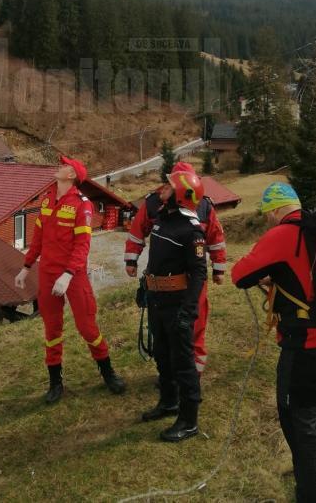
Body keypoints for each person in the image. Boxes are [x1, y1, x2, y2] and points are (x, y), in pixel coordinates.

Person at [231, 182, 316, 503]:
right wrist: (280, 276)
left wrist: (268, 270)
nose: (267, 220)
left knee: (302, 429)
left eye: (267, 215)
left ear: (274, 211)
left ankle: (314, 496)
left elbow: (239, 274)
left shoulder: (282, 234)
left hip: (306, 352)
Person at [15, 156, 125, 403]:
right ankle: (55, 384)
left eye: (64, 165)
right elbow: (38, 238)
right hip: (47, 273)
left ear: (72, 175)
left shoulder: (81, 205)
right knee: (51, 329)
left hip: (73, 276)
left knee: (87, 328)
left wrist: (67, 274)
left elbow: (82, 244)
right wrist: (26, 266)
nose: (59, 166)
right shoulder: (46, 200)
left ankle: (108, 373)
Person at [125, 160, 226, 374]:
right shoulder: (153, 203)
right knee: (164, 328)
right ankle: (170, 374)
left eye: (171, 183)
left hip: (192, 279)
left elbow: (215, 238)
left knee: (194, 324)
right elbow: (137, 230)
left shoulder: (204, 206)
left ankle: (192, 372)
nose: (165, 187)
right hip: (163, 281)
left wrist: (218, 269)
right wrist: (131, 259)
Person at [141, 166, 207, 441]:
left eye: (168, 186)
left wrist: (188, 310)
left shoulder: (192, 231)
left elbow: (199, 272)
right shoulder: (162, 219)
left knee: (183, 362)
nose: (161, 188)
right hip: (157, 300)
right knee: (162, 355)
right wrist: (144, 287)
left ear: (180, 194)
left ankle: (189, 420)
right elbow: (155, 260)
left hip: (177, 304)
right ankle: (169, 402)